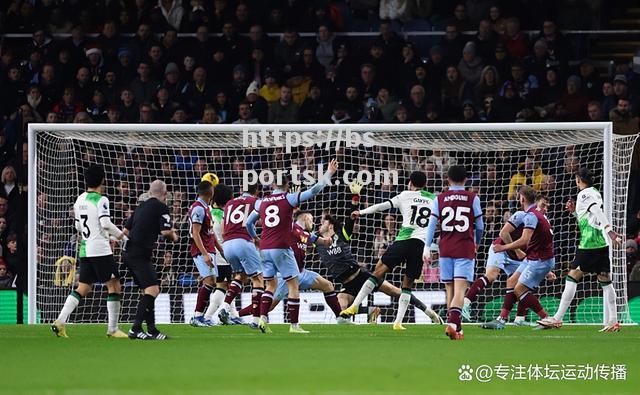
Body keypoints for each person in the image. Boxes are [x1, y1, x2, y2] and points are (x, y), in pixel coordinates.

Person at [246, 159, 339, 334]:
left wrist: (256, 239)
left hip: (264, 248)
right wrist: (329, 174)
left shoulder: (261, 202)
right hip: (281, 247)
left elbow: (248, 224)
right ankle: (294, 326)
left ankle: (262, 319)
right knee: (293, 285)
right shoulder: (289, 198)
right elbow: (314, 190)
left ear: (272, 183)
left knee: (270, 286)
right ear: (288, 184)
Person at [339, 171, 436, 331]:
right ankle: (398, 323)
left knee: (377, 272)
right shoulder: (434, 199)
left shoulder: (405, 195)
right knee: (407, 285)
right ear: (425, 185)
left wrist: (361, 212)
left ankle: (354, 306)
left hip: (404, 240)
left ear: (410, 183)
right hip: (420, 244)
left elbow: (381, 206)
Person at [538, 168, 622, 332]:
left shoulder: (583, 194)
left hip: (590, 243)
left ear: (578, 179)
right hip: (601, 243)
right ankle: (613, 321)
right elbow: (590, 217)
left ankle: (557, 318)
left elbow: (597, 212)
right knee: (605, 279)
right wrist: (574, 212)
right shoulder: (595, 192)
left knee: (572, 276)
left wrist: (610, 231)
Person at [51, 164, 127, 338]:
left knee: (84, 286)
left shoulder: (80, 199)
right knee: (114, 285)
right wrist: (122, 237)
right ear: (102, 179)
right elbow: (106, 224)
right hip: (100, 249)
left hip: (85, 249)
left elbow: (78, 225)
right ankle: (113, 329)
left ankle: (60, 321)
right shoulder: (101, 200)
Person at [482, 187, 556, 330]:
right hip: (535, 257)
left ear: (522, 198)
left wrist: (503, 248)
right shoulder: (536, 214)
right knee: (511, 281)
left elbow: (524, 240)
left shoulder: (532, 216)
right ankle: (501, 319)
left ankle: (546, 318)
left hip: (539, 260)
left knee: (520, 289)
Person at [423, 165, 484, 340]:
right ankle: (452, 323)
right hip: (464, 247)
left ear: (448, 180)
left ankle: (457, 328)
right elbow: (480, 226)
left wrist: (427, 246)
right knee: (460, 291)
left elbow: (432, 224)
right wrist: (477, 243)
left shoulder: (439, 198)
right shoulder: (473, 198)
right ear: (466, 180)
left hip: (445, 247)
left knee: (449, 289)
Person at [124, 180, 178, 340]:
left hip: (130, 253)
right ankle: (135, 328)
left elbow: (126, 231)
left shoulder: (140, 206)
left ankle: (152, 330)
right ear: (165, 193)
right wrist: (175, 236)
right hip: (140, 255)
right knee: (153, 290)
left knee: (148, 291)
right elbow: (166, 232)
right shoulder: (162, 207)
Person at [216, 182, 263, 327]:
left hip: (228, 244)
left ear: (242, 189)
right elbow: (263, 220)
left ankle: (224, 307)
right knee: (258, 279)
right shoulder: (255, 202)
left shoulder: (230, 203)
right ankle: (255, 320)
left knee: (241, 275)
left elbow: (224, 229)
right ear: (256, 191)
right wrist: (256, 238)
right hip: (243, 242)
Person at [202, 183, 244, 325]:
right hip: (222, 255)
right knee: (223, 286)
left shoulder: (210, 212)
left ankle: (233, 315)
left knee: (227, 284)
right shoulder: (224, 215)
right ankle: (207, 317)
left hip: (215, 254)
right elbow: (225, 234)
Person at [188, 181, 225, 327]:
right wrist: (204, 254)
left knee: (212, 281)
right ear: (210, 191)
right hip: (201, 250)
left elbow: (209, 233)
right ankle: (197, 317)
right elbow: (195, 233)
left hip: (209, 249)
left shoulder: (205, 207)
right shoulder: (198, 208)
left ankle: (200, 316)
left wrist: (220, 249)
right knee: (209, 281)